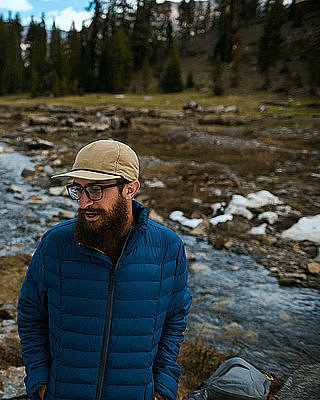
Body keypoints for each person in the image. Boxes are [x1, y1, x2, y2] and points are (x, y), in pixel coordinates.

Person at [17, 139, 191, 400]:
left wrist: (163, 388)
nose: (84, 203)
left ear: (130, 190)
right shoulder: (56, 244)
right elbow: (31, 313)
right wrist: (40, 381)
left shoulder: (167, 247)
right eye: (78, 190)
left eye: (96, 190)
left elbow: (174, 319)